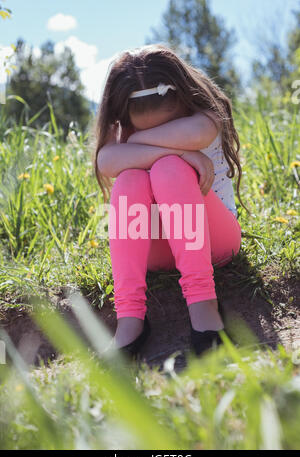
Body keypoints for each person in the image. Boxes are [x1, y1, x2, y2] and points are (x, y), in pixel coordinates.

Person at [92, 44, 249, 358]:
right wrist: (177, 151)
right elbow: (106, 161)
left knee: (168, 170)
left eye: (166, 129)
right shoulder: (124, 127)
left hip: (214, 242)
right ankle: (130, 317)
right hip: (153, 251)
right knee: (130, 179)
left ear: (184, 98)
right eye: (142, 130)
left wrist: (136, 142)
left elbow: (195, 135)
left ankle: (204, 305)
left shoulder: (204, 117)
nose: (155, 134)